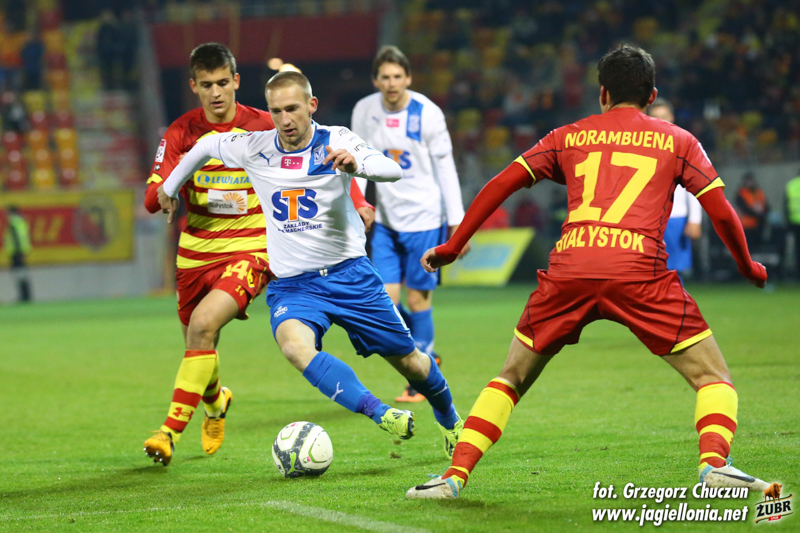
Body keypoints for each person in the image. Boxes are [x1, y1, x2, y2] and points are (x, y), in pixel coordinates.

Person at [406, 44, 777, 500]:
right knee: (712, 377)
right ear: (651, 95)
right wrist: (747, 266)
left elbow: (500, 184)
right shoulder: (679, 141)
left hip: (571, 268)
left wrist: (452, 246)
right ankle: (715, 464)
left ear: (602, 93)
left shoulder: (568, 136)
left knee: (511, 377)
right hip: (638, 270)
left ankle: (453, 477)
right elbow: (720, 211)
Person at [158, 71, 464, 458]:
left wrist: (357, 165)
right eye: (276, 111)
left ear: (311, 105)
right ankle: (380, 413)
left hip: (350, 276)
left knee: (412, 364)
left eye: (292, 109)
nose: (284, 119)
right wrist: (170, 188)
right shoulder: (254, 146)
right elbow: (204, 147)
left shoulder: (336, 139)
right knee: (293, 346)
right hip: (294, 286)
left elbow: (392, 169)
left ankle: (450, 419)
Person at [141, 43, 376, 467]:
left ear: (236, 81)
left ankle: (168, 432)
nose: (216, 92)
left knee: (204, 324)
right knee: (198, 340)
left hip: (253, 246)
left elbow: (323, 155)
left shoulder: (266, 124)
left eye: (222, 83)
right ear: (194, 87)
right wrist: (166, 190)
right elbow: (151, 197)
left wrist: (357, 199)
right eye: (206, 85)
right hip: (195, 251)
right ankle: (216, 402)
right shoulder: (180, 133)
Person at [351, 46, 468, 403]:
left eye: (397, 76)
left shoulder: (427, 113)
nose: (391, 83)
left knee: (417, 300)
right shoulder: (364, 110)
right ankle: (425, 356)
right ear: (375, 80)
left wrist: (457, 223)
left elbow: (446, 168)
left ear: (408, 78)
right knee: (386, 303)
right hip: (387, 220)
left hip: (425, 218)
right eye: (385, 77)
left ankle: (422, 377)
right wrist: (359, 205)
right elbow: (357, 163)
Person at [647, 98, 702, 278]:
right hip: (647, 219)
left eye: (664, 117)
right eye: (656, 118)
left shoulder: (685, 145)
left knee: (674, 273)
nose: (661, 122)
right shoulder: (641, 147)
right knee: (648, 271)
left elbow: (695, 185)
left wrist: (694, 219)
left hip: (676, 218)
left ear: (672, 117)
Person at [3, 205, 32, 302]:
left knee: (18, 274)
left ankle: (23, 296)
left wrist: (18, 252)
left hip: (16, 253)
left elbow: (16, 239)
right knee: (22, 273)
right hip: (21, 252)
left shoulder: (13, 222)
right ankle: (26, 295)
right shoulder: (21, 221)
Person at [735, 172, 768, 246]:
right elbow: (744, 208)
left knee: (757, 246)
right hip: (746, 226)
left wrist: (762, 214)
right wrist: (758, 214)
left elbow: (766, 206)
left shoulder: (759, 192)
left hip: (758, 225)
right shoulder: (741, 193)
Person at [786, 171, 800, 279]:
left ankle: (797, 274)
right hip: (795, 223)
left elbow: (786, 206)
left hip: (795, 223)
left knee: (797, 250)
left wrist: (788, 224)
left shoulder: (791, 185)